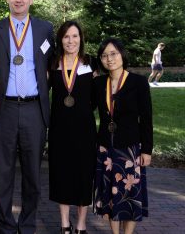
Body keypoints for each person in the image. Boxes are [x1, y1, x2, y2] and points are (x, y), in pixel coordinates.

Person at [0, 0, 54, 234]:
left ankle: (27, 224)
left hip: (35, 110)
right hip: (4, 110)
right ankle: (4, 225)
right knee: (3, 172)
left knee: (33, 175)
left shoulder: (46, 29)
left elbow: (53, 67)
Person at [93, 38, 153, 234]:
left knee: (130, 195)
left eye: (113, 54)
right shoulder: (99, 82)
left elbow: (146, 118)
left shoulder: (138, 82)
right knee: (110, 196)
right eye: (104, 55)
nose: (109, 59)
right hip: (105, 148)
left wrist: (147, 150)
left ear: (122, 55)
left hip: (130, 149)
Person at [48, 21, 98, 234]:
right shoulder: (52, 64)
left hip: (84, 129)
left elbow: (98, 97)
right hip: (60, 129)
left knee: (83, 174)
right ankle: (65, 223)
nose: (71, 41)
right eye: (67, 36)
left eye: (75, 36)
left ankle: (81, 223)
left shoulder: (91, 63)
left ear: (81, 38)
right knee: (62, 174)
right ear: (61, 39)